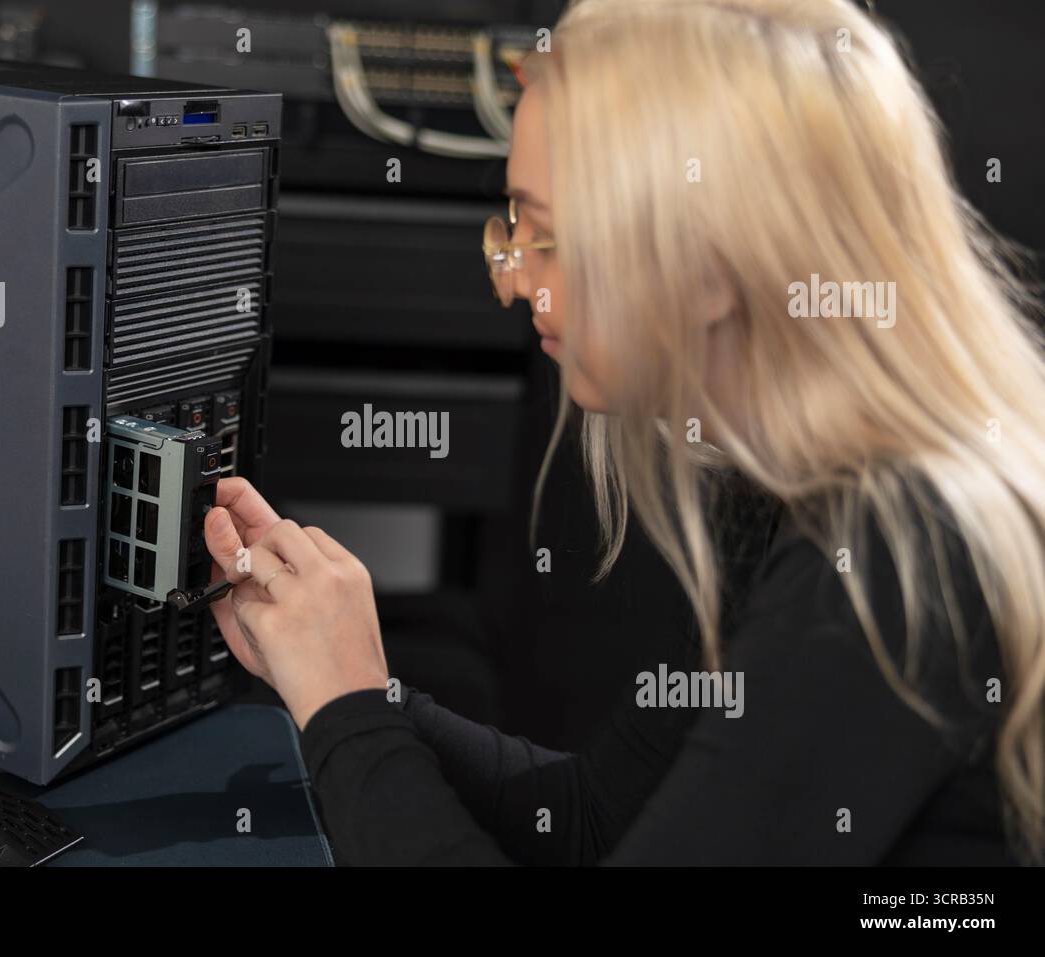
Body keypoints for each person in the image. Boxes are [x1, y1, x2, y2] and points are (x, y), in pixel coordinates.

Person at [201, 0, 1045, 864]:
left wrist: (345, 711)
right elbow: (592, 817)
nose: (514, 280)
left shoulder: (891, 562)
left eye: (552, 238)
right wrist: (346, 680)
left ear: (713, 262)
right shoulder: (783, 497)